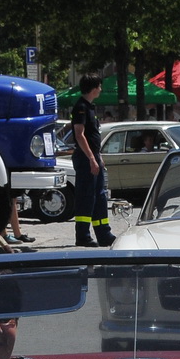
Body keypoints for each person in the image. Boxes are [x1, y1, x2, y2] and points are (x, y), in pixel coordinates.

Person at [70, 76, 113, 247]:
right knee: (86, 197)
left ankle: (104, 234)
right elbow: (79, 135)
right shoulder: (81, 107)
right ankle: (83, 236)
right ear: (94, 88)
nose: (101, 89)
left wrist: (98, 156)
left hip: (93, 156)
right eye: (99, 86)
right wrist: (91, 158)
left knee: (100, 197)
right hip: (85, 158)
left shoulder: (89, 107)